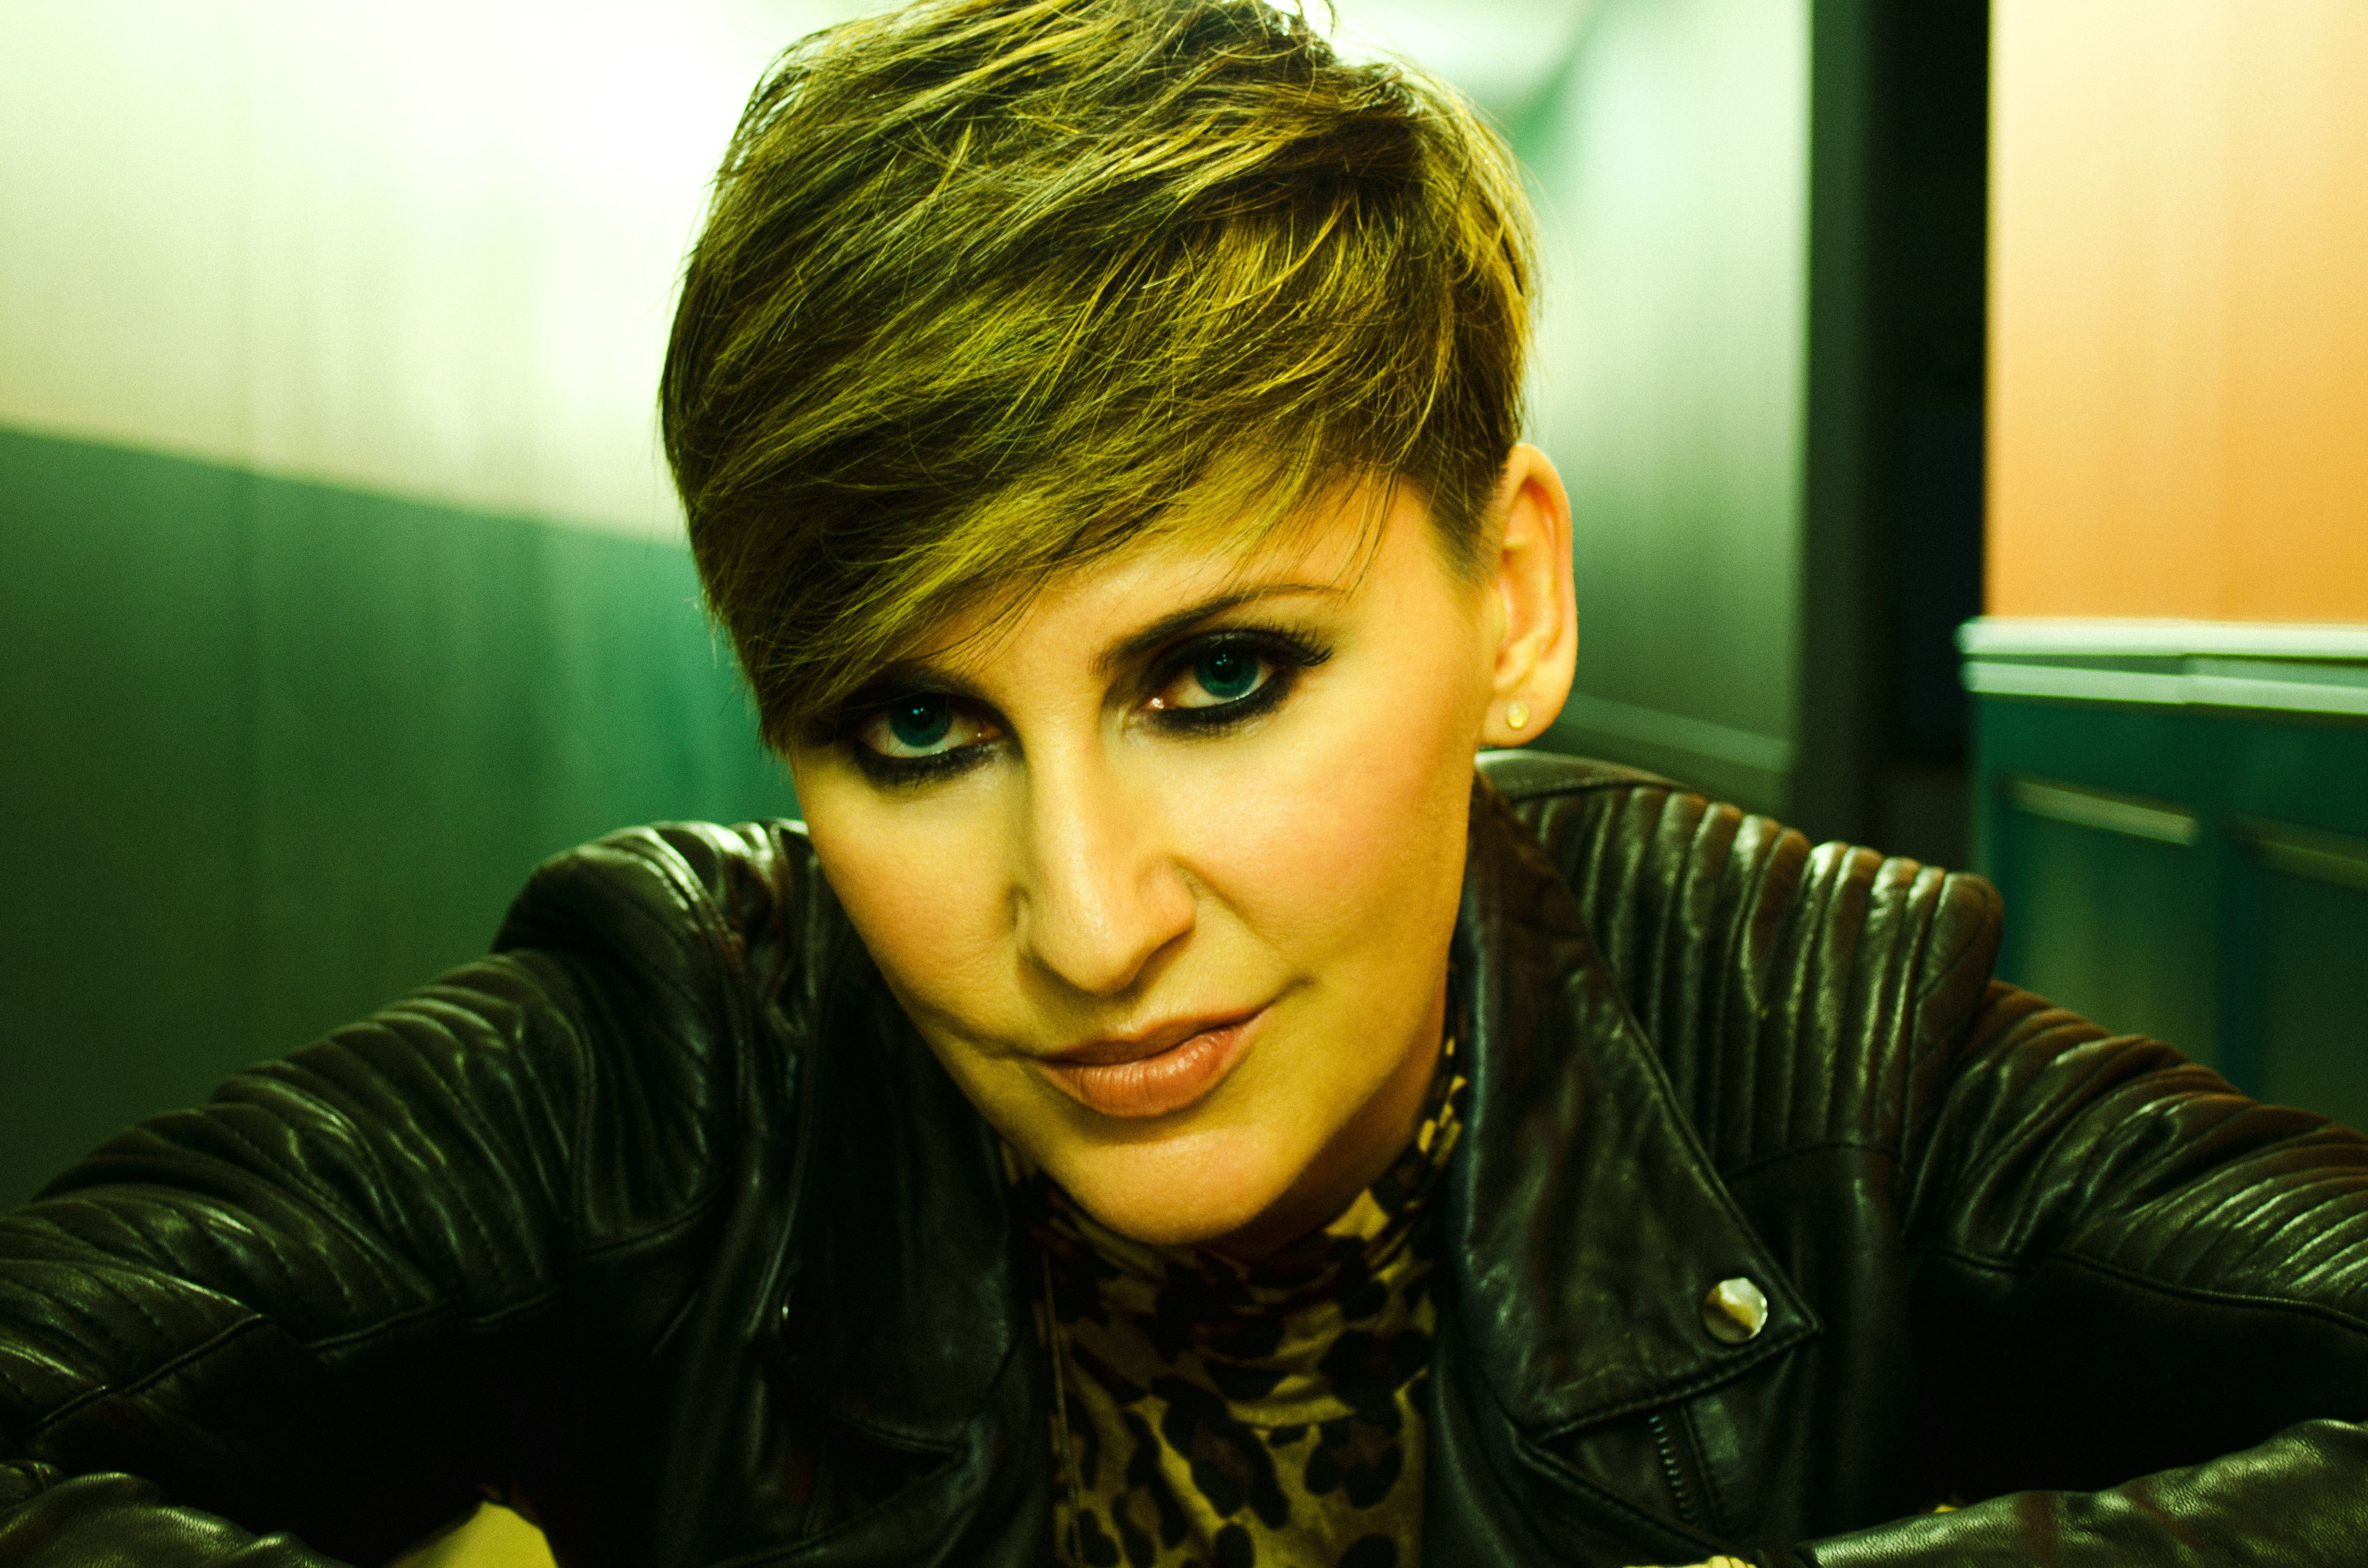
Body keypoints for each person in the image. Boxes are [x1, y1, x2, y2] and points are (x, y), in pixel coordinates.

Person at [4, 1, 2367, 1564]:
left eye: (1218, 677)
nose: (1087, 918)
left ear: (1509, 600)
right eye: (916, 728)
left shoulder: (1804, 1044)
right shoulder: (663, 1074)